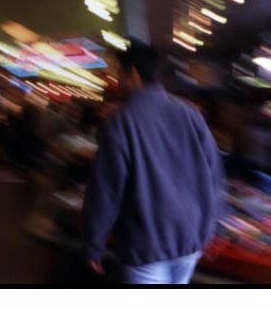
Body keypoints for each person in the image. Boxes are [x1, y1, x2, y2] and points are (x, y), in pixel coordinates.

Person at [82, 38, 225, 284]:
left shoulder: (120, 122)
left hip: (147, 245)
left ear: (132, 74)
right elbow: (214, 174)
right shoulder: (190, 113)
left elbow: (106, 189)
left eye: (119, 74)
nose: (117, 82)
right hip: (190, 241)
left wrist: (94, 244)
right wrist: (211, 227)